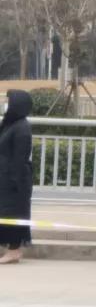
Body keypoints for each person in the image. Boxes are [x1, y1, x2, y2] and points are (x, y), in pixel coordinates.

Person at [0, 90, 34, 265]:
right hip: (4, 178)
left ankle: (14, 251)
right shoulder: (10, 124)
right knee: (4, 213)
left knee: (13, 214)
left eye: (8, 101)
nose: (5, 104)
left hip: (14, 180)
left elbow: (20, 157)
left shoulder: (22, 127)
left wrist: (15, 180)